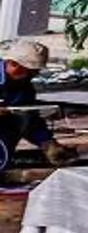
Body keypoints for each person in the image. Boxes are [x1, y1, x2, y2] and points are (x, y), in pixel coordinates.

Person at [1, 37, 57, 170]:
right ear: (13, 64)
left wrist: (47, 143)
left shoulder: (24, 89)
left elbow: (29, 119)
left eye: (35, 72)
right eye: (31, 71)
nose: (33, 75)